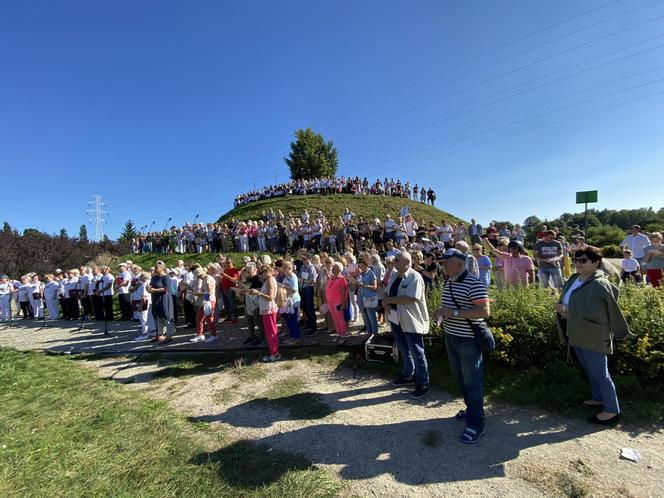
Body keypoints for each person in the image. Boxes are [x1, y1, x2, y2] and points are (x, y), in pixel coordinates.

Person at [555, 245, 630, 425]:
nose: (578, 263)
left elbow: (603, 311)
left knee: (601, 373)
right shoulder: (575, 278)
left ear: (596, 263)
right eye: (576, 260)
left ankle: (612, 410)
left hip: (593, 334)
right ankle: (599, 398)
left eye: (583, 260)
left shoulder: (599, 283)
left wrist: (566, 310)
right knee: (590, 368)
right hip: (576, 331)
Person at [435, 248, 491, 444]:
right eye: (442, 262)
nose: (443, 265)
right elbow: (449, 308)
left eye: (446, 262)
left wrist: (454, 313)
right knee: (461, 378)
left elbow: (484, 311)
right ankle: (471, 410)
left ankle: (477, 424)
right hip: (451, 336)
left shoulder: (474, 282)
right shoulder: (449, 281)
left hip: (468, 340)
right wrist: (441, 313)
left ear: (459, 263)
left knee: (472, 381)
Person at [382, 251, 430, 400]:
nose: (394, 262)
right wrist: (386, 302)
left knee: (417, 351)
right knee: (403, 348)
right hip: (396, 318)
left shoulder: (415, 277)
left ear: (407, 263)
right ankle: (408, 375)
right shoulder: (395, 276)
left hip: (411, 320)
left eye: (397, 260)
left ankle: (422, 383)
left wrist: (389, 300)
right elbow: (386, 292)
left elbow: (410, 298)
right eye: (394, 260)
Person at [250, 263, 280, 362]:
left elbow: (271, 297)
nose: (260, 274)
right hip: (266, 309)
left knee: (271, 332)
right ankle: (273, 352)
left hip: (269, 309)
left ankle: (275, 353)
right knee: (269, 332)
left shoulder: (270, 280)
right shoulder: (268, 280)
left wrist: (258, 293)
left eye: (261, 272)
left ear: (267, 271)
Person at [147, 261, 174, 344]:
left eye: (157, 267)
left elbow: (167, 289)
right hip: (155, 299)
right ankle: (160, 335)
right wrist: (148, 288)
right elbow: (151, 286)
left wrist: (155, 290)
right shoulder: (154, 277)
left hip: (164, 299)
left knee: (166, 317)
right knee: (158, 317)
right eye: (155, 267)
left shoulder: (166, 277)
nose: (155, 269)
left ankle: (169, 336)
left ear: (162, 268)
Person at [325, 262, 349, 343]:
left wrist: (343, 303)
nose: (332, 269)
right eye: (333, 268)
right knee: (335, 319)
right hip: (330, 302)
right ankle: (339, 334)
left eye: (334, 268)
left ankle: (343, 335)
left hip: (337, 302)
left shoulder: (342, 279)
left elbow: (343, 293)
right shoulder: (331, 278)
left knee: (340, 319)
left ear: (339, 270)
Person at [279, 260, 301, 345]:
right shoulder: (286, 276)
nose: (282, 269)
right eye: (282, 267)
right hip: (287, 302)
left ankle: (296, 338)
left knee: (292, 320)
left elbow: (294, 290)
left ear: (289, 268)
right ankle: (292, 336)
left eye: (284, 268)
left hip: (293, 302)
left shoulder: (293, 276)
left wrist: (283, 288)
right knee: (288, 319)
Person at [356, 259, 378, 335]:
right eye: (360, 266)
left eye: (362, 266)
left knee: (372, 317)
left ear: (367, 265)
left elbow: (375, 287)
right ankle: (369, 332)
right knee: (365, 317)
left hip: (369, 298)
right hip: (362, 298)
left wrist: (364, 286)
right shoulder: (361, 273)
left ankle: (374, 334)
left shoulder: (371, 273)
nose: (361, 267)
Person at [298, 253, 318, 336]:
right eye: (302, 259)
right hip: (302, 288)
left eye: (304, 259)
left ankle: (314, 328)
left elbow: (313, 281)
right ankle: (309, 324)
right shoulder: (302, 267)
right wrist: (301, 280)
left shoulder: (311, 268)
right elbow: (300, 277)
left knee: (310, 308)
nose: (302, 260)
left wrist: (302, 280)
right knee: (304, 307)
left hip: (308, 289)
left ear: (308, 259)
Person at [220, 259, 239, 324]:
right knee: (226, 304)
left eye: (228, 262)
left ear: (232, 262)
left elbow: (234, 280)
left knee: (232, 304)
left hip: (230, 289)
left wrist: (225, 276)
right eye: (226, 262)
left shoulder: (234, 270)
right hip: (224, 289)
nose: (227, 264)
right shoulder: (226, 270)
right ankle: (229, 317)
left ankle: (234, 318)